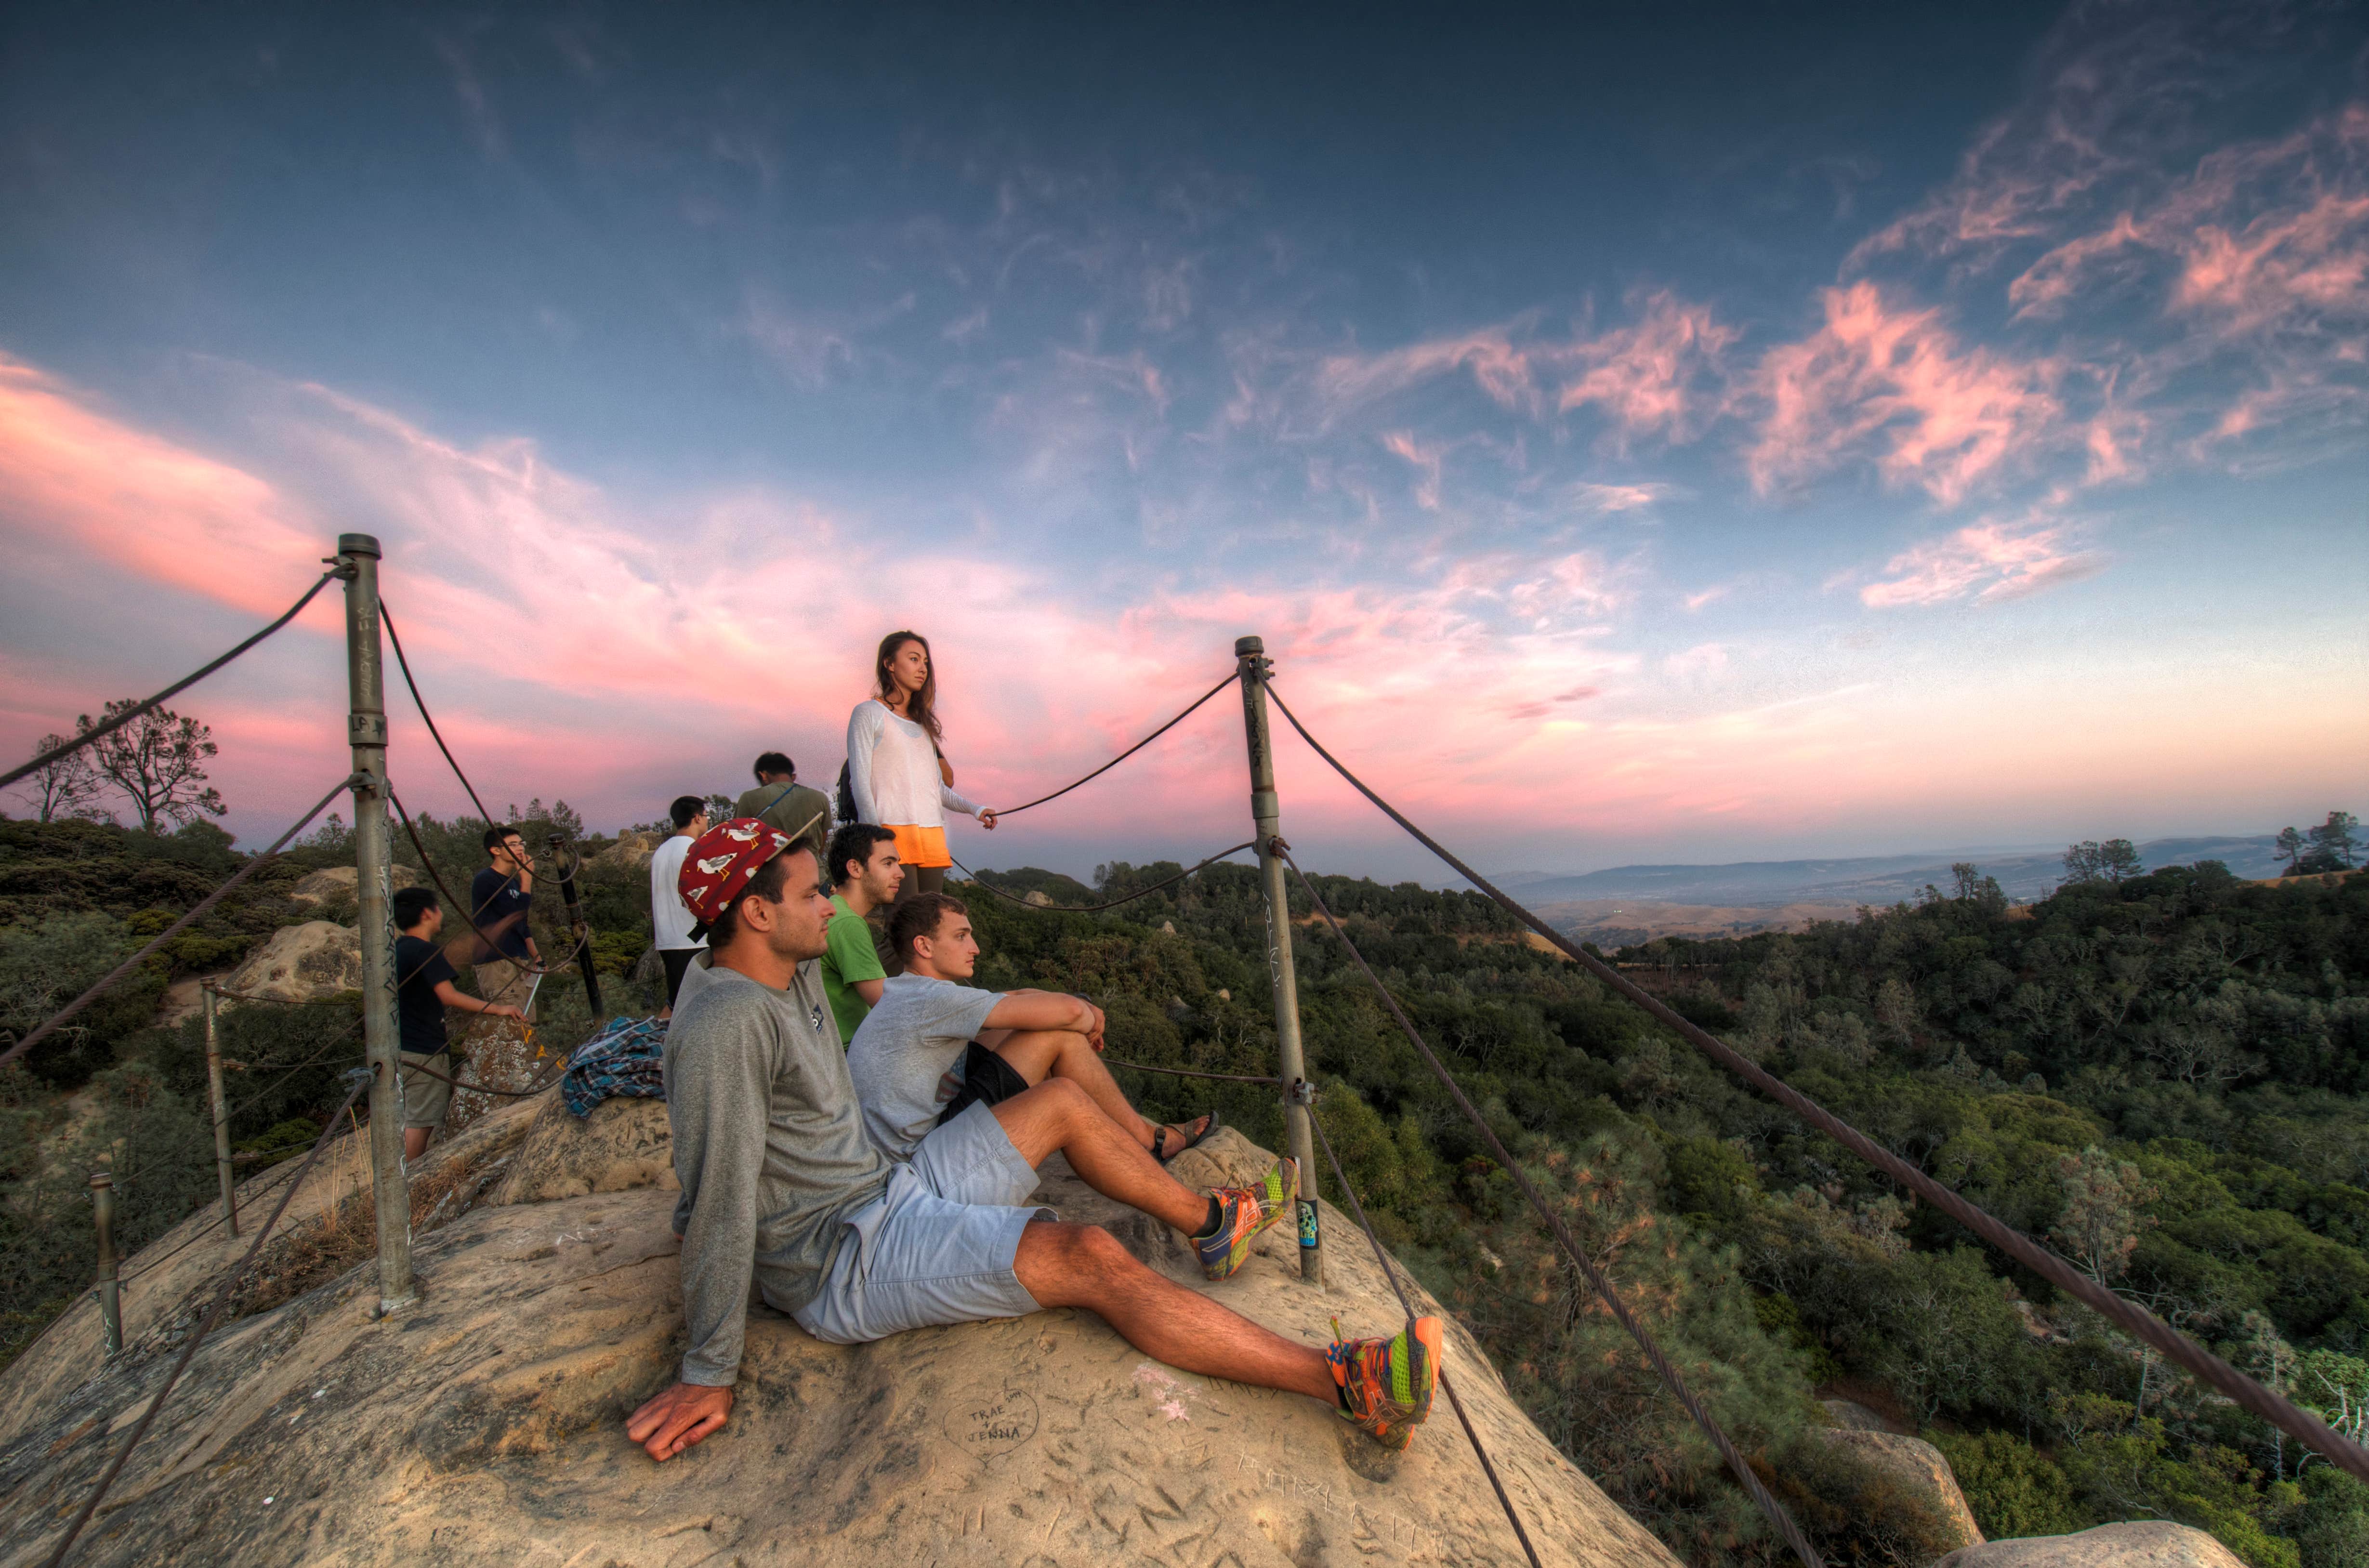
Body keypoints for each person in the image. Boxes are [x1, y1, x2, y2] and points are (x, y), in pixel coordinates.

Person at [625, 821, 1438, 1464]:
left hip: (887, 1182)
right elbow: (723, 1198)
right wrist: (708, 1368)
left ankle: (1212, 1227)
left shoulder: (780, 959)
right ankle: (1348, 1384)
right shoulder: (724, 1025)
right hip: (841, 1252)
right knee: (1085, 1255)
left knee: (1056, 1101)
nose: (834, 909)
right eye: (813, 895)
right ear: (757, 914)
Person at [851, 893, 1214, 1164]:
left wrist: (1080, 1006)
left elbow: (1016, 997)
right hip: (917, 1159)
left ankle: (1135, 1136)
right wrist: (1088, 1015)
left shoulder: (909, 989)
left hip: (905, 1139)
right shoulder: (932, 999)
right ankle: (1150, 1141)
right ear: (924, 946)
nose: (975, 947)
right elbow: (1070, 1013)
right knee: (1056, 1034)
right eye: (961, 936)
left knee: (1017, 1025)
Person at [845, 631, 995, 902]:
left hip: (931, 836)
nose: (923, 668)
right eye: (914, 659)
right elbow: (861, 783)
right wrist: (876, 841)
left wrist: (976, 809)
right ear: (889, 664)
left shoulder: (923, 727)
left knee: (929, 926)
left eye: (925, 661)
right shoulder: (868, 714)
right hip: (891, 833)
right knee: (903, 927)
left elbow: (936, 790)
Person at [393, 886, 525, 1160]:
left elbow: (459, 953)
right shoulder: (425, 951)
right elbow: (448, 996)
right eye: (438, 908)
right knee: (422, 1122)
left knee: (404, 1119)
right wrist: (499, 1009)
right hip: (424, 1050)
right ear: (428, 913)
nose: (441, 914)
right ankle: (405, 1189)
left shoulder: (397, 951)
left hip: (397, 1047)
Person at [821, 822, 900, 1045]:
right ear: (855, 869)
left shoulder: (835, 910)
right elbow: (892, 1007)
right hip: (848, 1054)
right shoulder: (847, 923)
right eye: (888, 864)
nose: (900, 874)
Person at [469, 824, 540, 1017]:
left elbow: (522, 924)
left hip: (517, 960)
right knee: (510, 1023)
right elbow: (514, 913)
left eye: (521, 844)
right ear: (496, 851)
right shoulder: (486, 879)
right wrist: (527, 880)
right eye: (513, 844)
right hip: (497, 961)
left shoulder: (513, 882)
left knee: (527, 1021)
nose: (520, 849)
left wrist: (537, 957)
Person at [650, 795, 710, 1015]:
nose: (706, 821)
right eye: (705, 816)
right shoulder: (695, 850)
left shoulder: (661, 852)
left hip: (667, 940)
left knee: (677, 1001)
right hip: (694, 940)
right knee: (696, 1007)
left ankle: (663, 1041)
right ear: (696, 818)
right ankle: (672, 1047)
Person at [734, 752, 832, 867]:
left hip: (771, 879)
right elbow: (822, 843)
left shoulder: (749, 798)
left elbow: (739, 841)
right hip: (814, 876)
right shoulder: (820, 798)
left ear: (763, 776)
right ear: (793, 776)